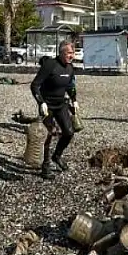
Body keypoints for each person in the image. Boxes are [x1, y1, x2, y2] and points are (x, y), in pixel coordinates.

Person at [29, 41, 78, 180]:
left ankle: (57, 156)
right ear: (61, 52)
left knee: (69, 132)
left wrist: (74, 99)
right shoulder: (50, 65)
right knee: (48, 135)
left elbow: (70, 85)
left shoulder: (69, 67)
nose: (72, 56)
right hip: (47, 106)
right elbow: (35, 85)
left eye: (73, 53)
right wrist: (41, 102)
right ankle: (45, 166)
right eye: (69, 53)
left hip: (60, 104)